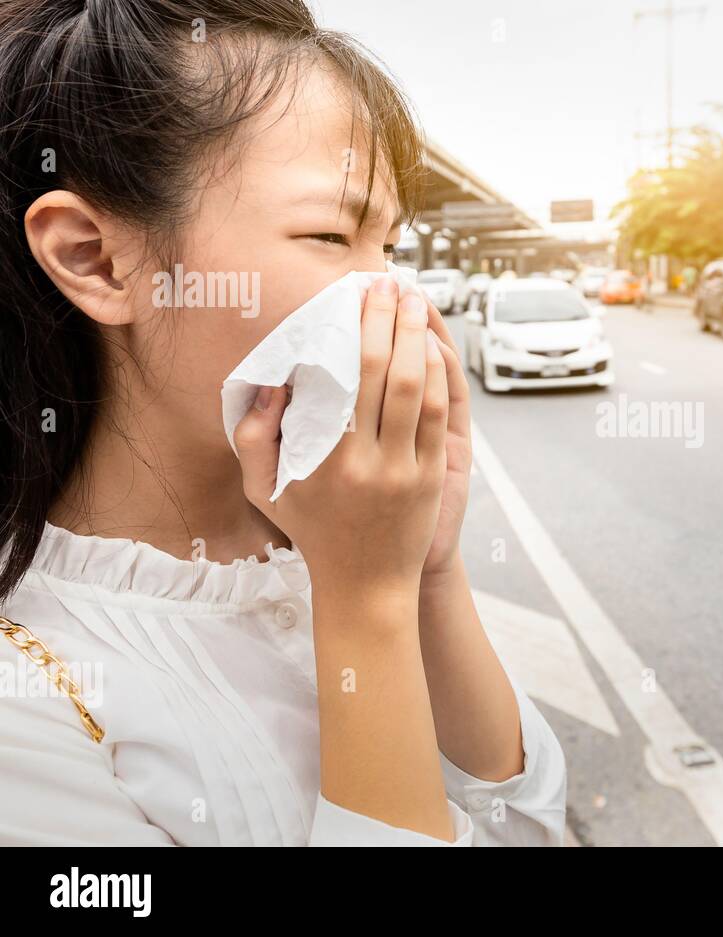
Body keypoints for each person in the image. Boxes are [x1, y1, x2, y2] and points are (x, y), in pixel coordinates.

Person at [0, 0, 565, 846]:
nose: (391, 300)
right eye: (331, 234)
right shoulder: (29, 699)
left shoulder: (335, 534)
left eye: (392, 250)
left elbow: (523, 827)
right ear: (97, 258)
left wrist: (426, 573)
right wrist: (367, 601)